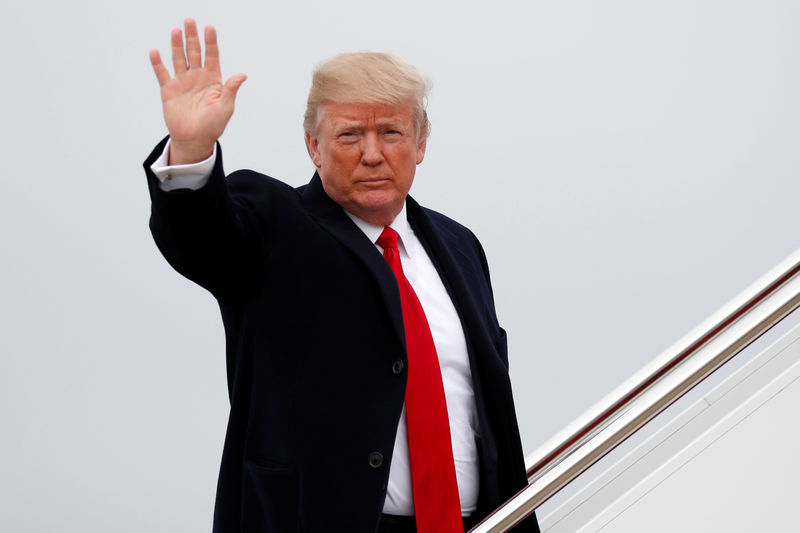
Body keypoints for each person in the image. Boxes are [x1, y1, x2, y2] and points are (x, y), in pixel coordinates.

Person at [144, 18, 539, 533]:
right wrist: (192, 151)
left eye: (391, 132)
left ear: (420, 144)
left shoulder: (460, 247)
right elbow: (199, 239)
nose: (372, 153)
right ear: (314, 146)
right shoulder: (274, 223)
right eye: (350, 134)